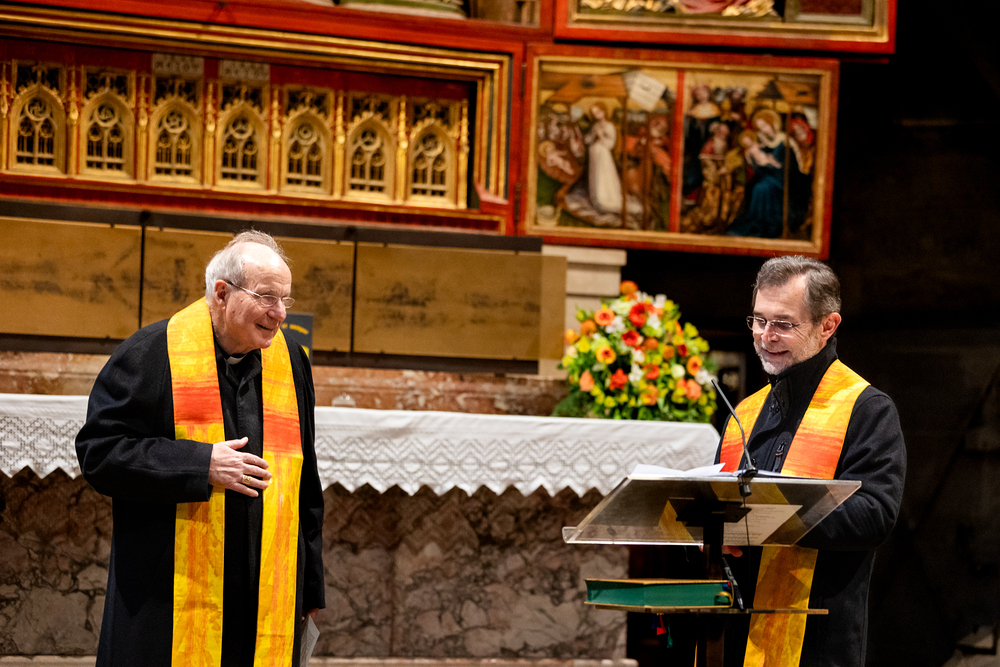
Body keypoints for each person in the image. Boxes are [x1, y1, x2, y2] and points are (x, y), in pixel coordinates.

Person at [76, 230, 325, 667]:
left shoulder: (291, 360)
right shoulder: (151, 354)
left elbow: (306, 483)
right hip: (169, 594)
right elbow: (100, 452)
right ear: (222, 293)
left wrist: (310, 586)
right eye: (267, 297)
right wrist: (201, 463)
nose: (280, 313)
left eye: (285, 299)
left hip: (265, 593)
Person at [716, 256, 906, 667]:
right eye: (759, 320)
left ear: (827, 326)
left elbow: (875, 513)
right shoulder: (745, 412)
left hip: (815, 639)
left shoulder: (865, 408)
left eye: (783, 324)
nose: (766, 336)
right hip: (731, 634)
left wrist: (769, 515)